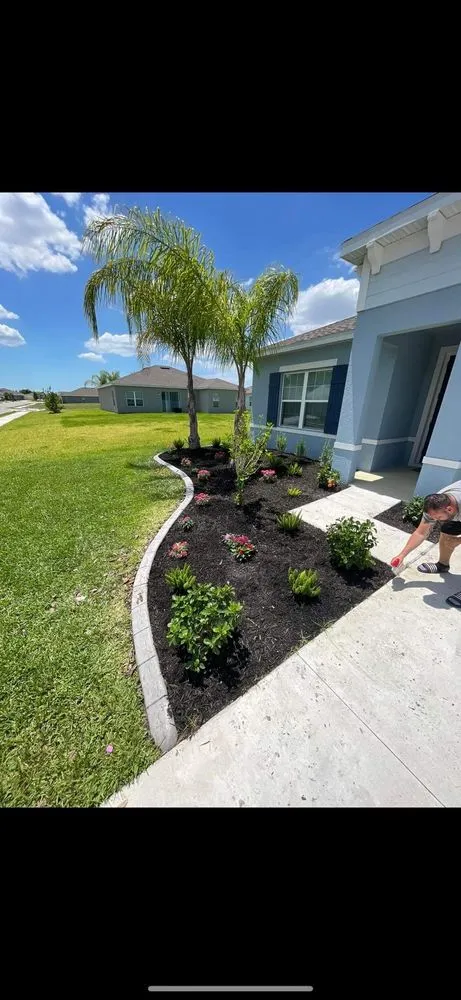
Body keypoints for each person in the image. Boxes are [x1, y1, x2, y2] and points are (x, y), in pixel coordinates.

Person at [391, 480, 461, 574]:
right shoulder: (435, 504)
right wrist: (402, 555)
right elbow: (420, 533)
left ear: (449, 509)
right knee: (447, 531)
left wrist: (458, 541)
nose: (436, 520)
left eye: (438, 517)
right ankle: (442, 566)